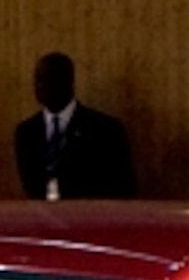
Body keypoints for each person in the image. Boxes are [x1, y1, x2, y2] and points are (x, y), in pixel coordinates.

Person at [12, 51, 135, 200]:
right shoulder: (27, 132)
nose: (39, 87)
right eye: (37, 80)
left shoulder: (104, 129)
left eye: (47, 80)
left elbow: (123, 185)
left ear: (67, 82)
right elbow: (31, 184)